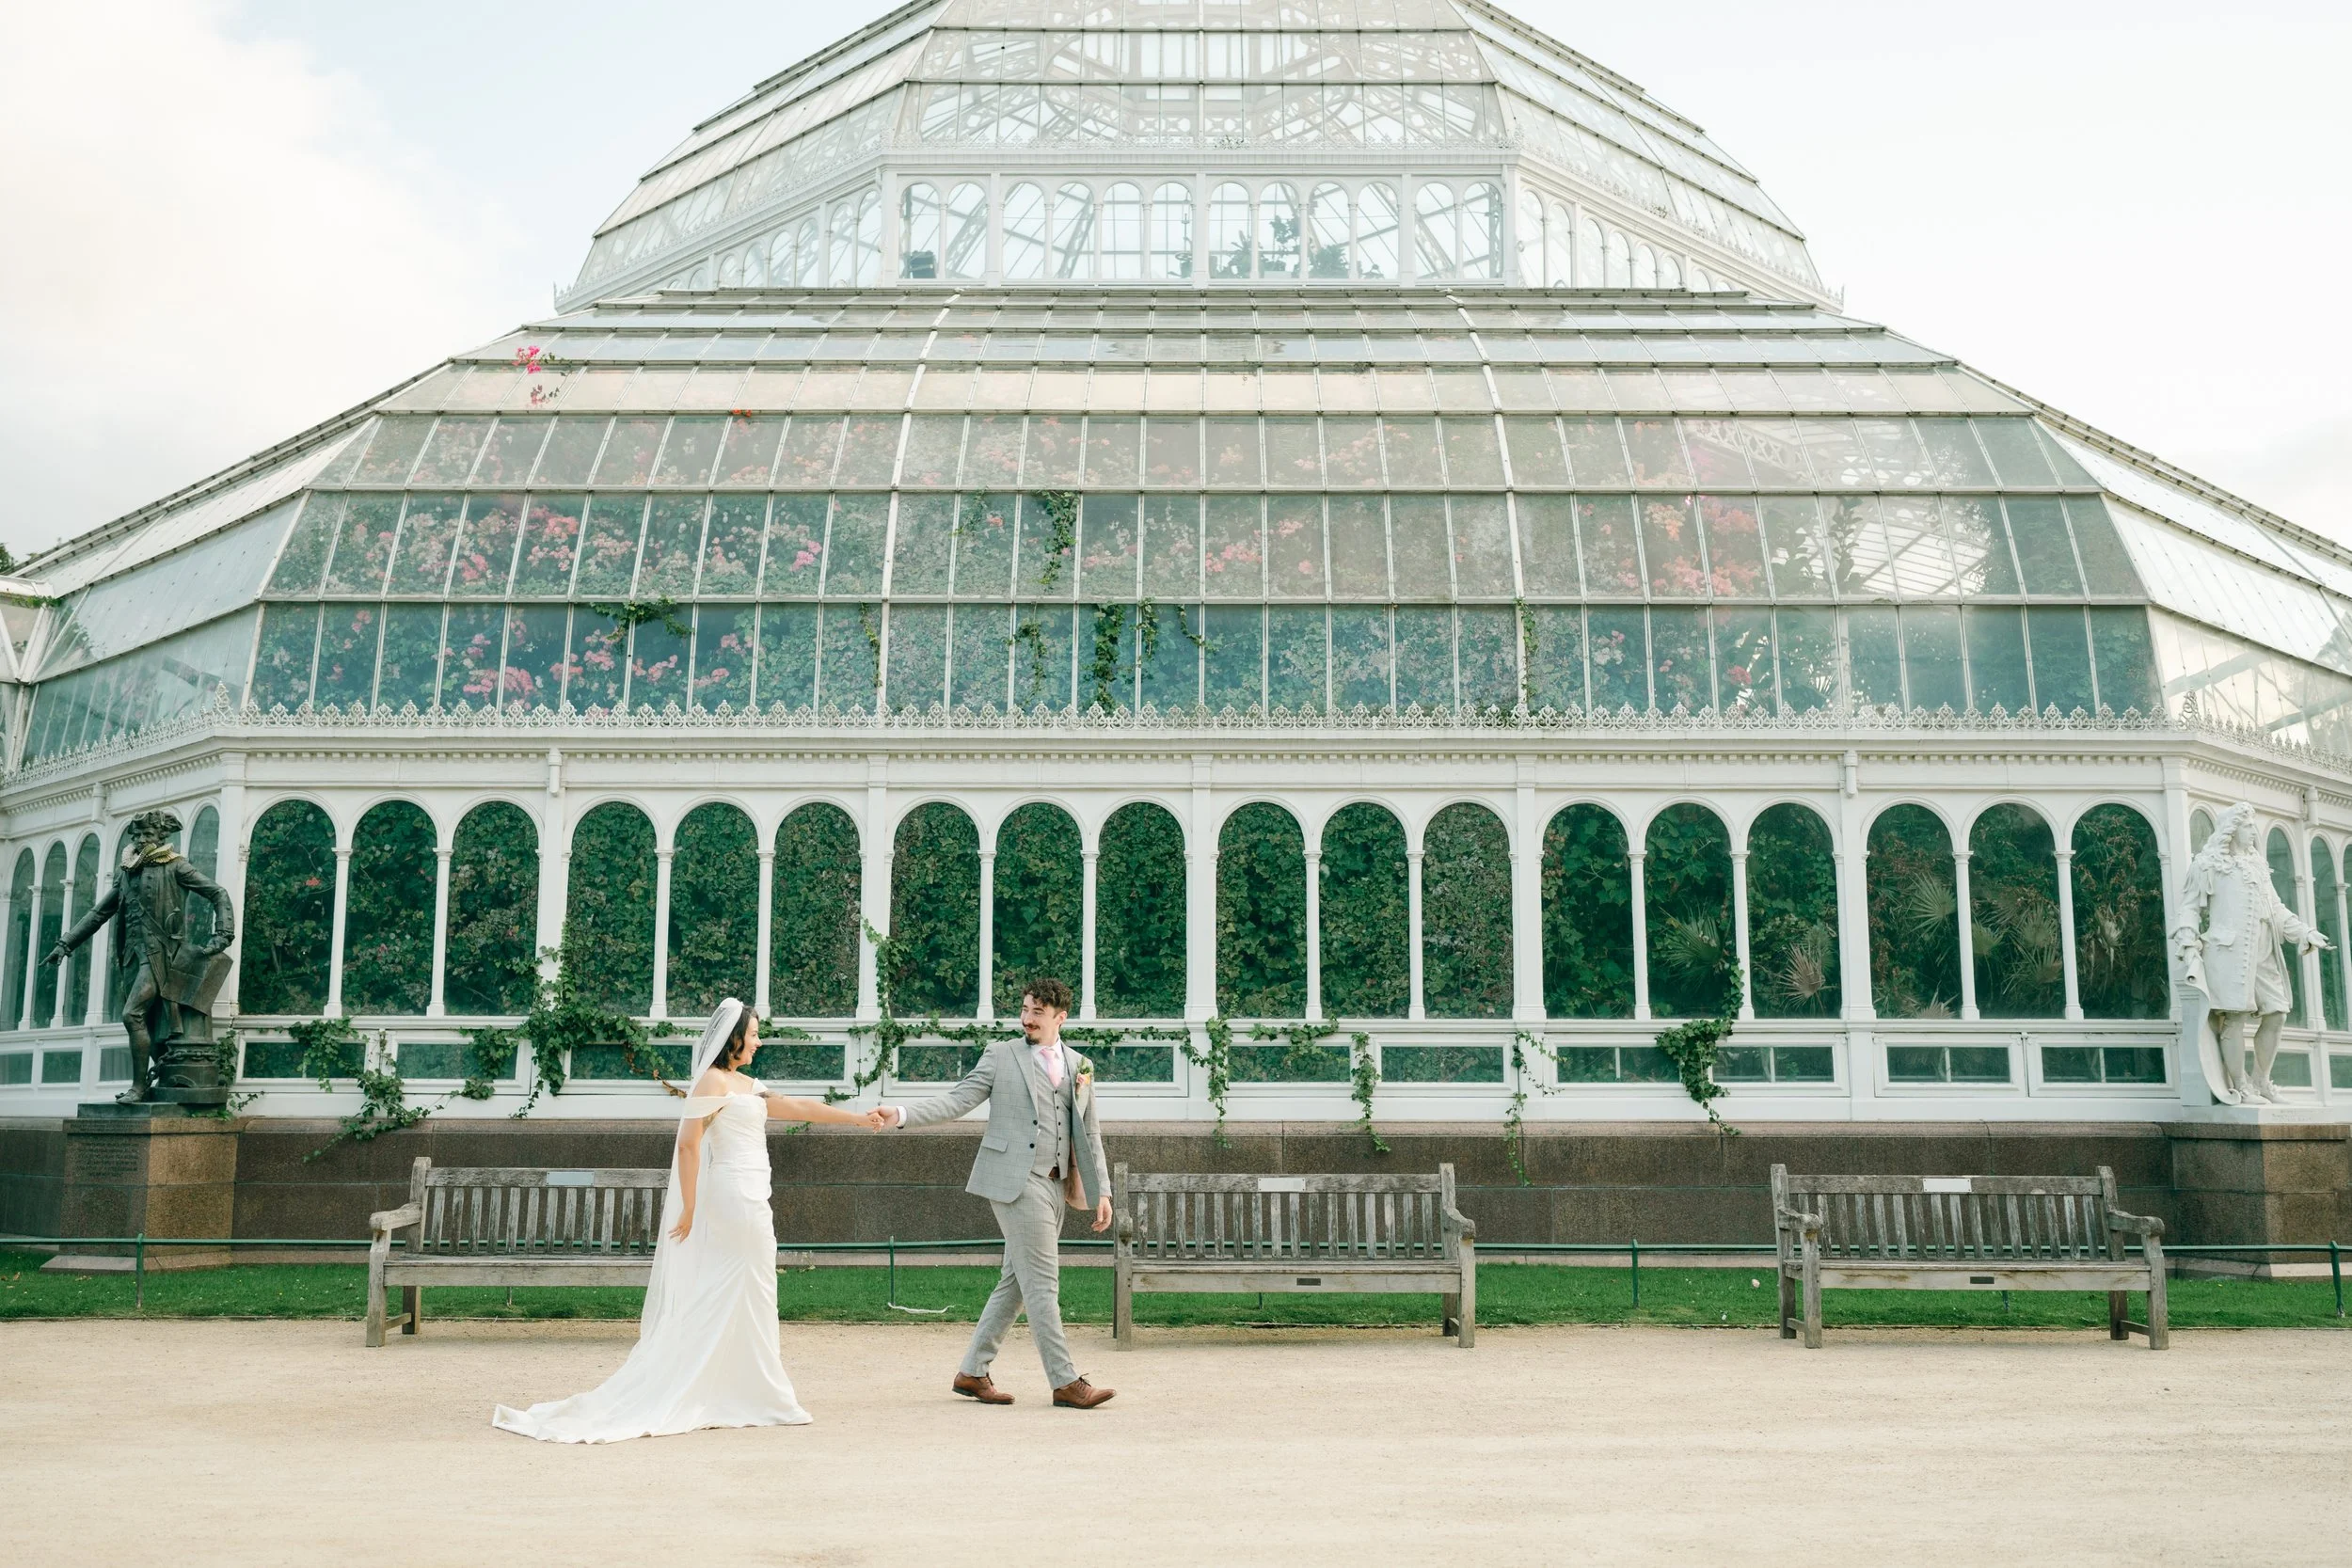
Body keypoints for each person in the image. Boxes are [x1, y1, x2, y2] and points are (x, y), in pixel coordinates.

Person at [493, 1000, 888, 1442]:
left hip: (754, 1193)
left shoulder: (744, 1083)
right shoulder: (712, 1082)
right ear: (733, 1037)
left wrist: (856, 1117)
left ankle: (749, 1390)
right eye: (754, 1034)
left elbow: (795, 1106)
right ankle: (752, 1392)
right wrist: (689, 1206)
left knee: (748, 1288)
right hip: (735, 1196)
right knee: (746, 1284)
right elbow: (688, 1146)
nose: (759, 1042)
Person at [880, 974, 1116, 1409]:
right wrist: (901, 1113)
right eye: (1024, 1010)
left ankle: (972, 1372)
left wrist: (1101, 1191)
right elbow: (957, 1100)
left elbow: (1091, 1132)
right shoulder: (1000, 1055)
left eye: (1037, 1013)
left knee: (1017, 1282)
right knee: (1043, 1282)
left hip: (1055, 1183)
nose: (1026, 1019)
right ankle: (1065, 1381)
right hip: (1014, 1181)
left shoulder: (1080, 1065)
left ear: (1060, 1018)